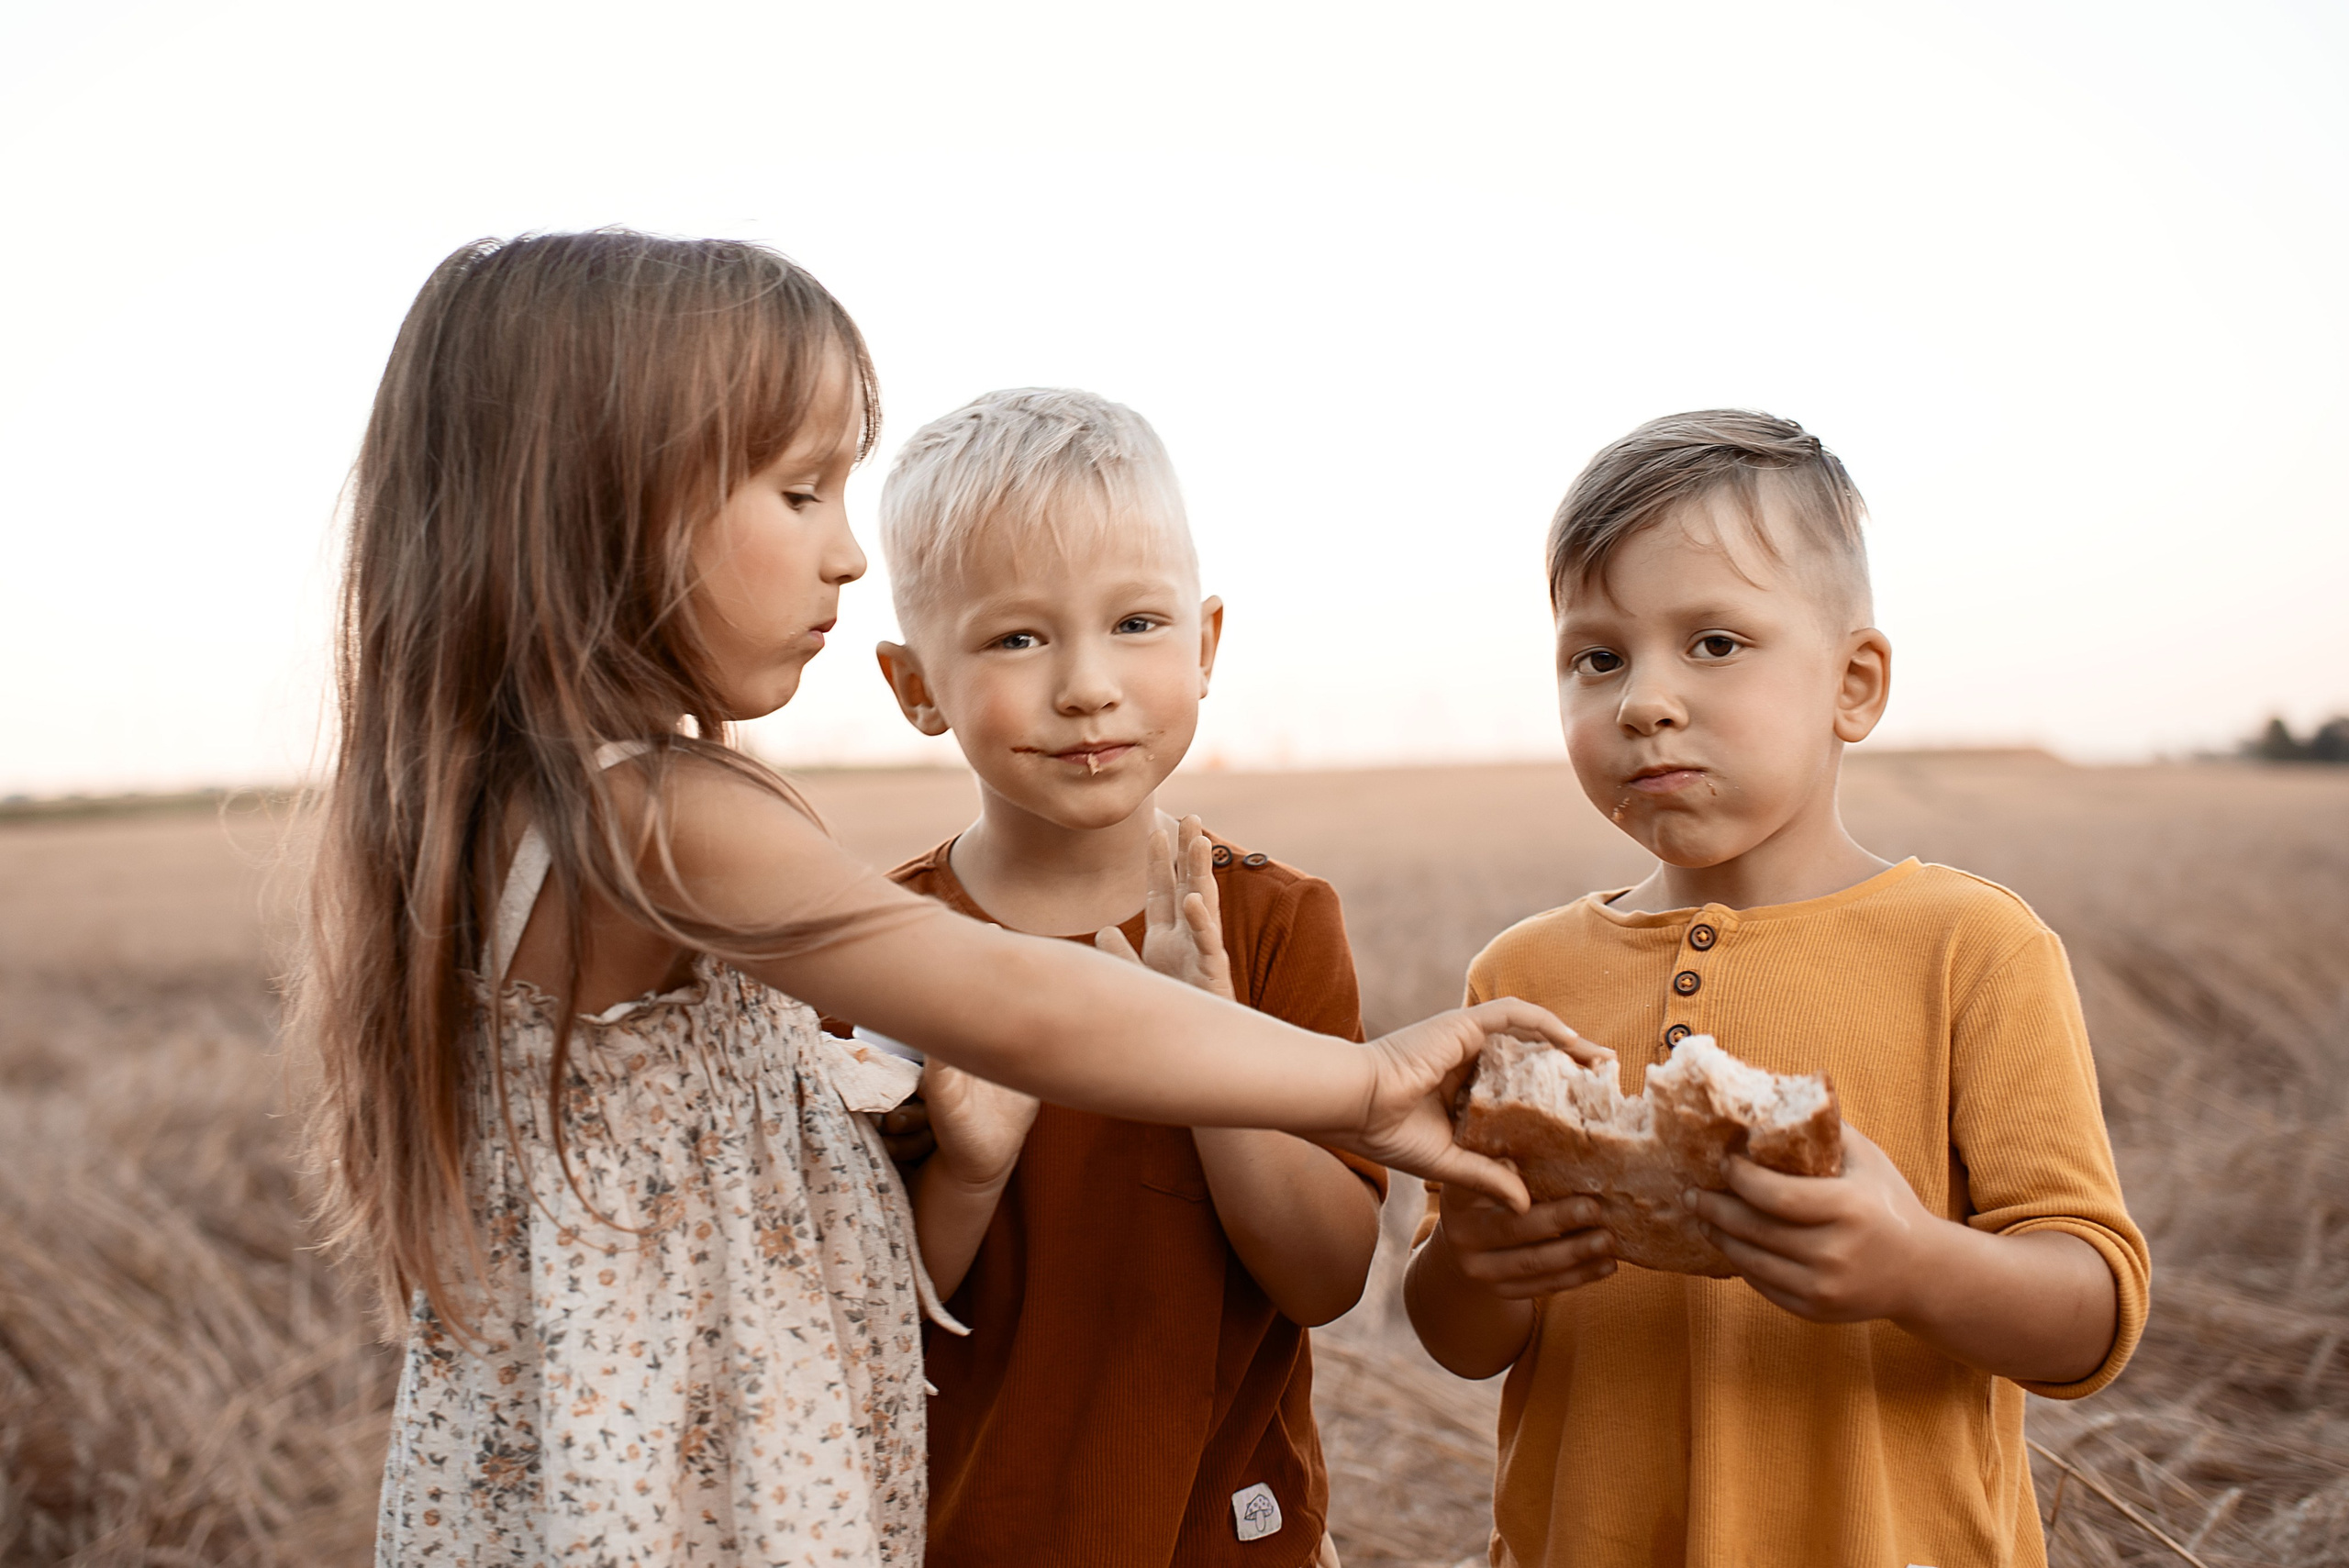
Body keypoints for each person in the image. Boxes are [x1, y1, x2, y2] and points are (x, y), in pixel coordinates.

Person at [295, 231, 1588, 1568]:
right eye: (800, 493)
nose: (847, 555)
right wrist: (1361, 1084)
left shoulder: (499, 809)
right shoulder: (657, 815)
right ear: (601, 511)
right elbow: (1018, 995)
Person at [1402, 411, 2151, 1568]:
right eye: (1596, 656)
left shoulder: (1970, 946)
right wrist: (1475, 1263)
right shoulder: (1520, 975)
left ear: (1853, 684)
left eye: (1712, 642)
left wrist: (1915, 1262)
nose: (1642, 699)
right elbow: (1459, 1335)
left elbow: (2091, 1313)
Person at [840, 388, 1377, 1567]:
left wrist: (1208, 1049)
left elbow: (1327, 1273)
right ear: (913, 682)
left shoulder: (1276, 921)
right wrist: (970, 1175)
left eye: (1136, 622)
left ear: (1206, 641)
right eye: (1017, 637)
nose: (1087, 684)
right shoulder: (877, 952)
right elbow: (847, 1321)